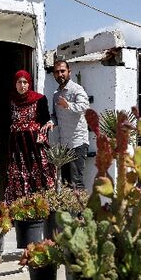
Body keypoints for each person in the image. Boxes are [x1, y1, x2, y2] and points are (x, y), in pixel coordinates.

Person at [5, 70, 57, 203]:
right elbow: (5, 121)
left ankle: (41, 204)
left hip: (34, 143)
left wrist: (42, 135)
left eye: (25, 82)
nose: (22, 85)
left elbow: (45, 120)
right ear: (15, 84)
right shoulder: (11, 100)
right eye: (19, 82)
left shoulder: (39, 99)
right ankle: (20, 205)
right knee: (18, 171)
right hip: (16, 144)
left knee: (38, 170)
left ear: (29, 84)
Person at [50, 59, 89, 189]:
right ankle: (69, 210)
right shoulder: (56, 95)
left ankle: (82, 210)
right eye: (57, 72)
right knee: (66, 183)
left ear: (69, 72)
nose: (60, 74)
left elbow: (84, 107)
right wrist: (51, 122)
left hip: (77, 143)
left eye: (62, 71)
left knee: (76, 183)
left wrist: (68, 105)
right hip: (64, 145)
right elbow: (55, 115)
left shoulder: (77, 89)